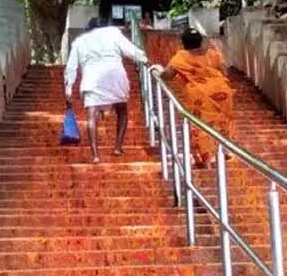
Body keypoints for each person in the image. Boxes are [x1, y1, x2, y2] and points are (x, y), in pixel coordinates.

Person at [64, 16, 152, 163]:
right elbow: (130, 50)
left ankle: (95, 155)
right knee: (122, 110)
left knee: (91, 115)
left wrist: (68, 88)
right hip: (115, 75)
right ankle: (118, 147)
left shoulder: (79, 41)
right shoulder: (113, 32)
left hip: (92, 78)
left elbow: (71, 67)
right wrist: (146, 60)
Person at [156, 29, 233, 168]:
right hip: (223, 92)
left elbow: (168, 75)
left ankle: (206, 160)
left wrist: (157, 71)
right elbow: (225, 72)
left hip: (200, 95)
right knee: (222, 121)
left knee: (200, 126)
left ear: (183, 43)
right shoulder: (213, 54)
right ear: (200, 41)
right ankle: (223, 150)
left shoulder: (182, 57)